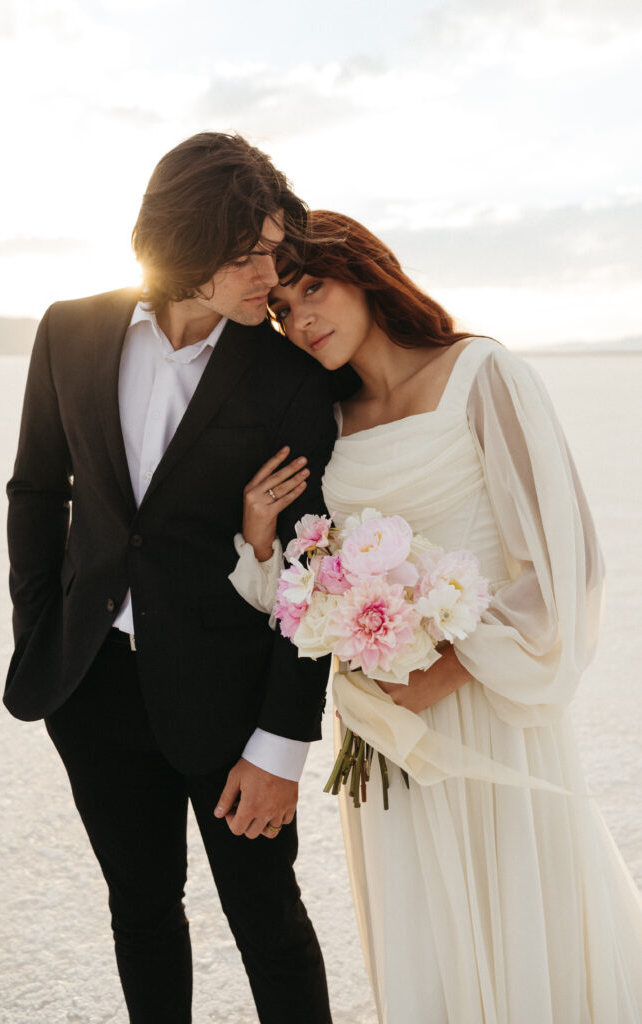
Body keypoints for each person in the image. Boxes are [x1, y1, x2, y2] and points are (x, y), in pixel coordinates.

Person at [231, 210, 642, 1023]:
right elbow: (307, 588)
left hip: (488, 708)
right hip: (384, 735)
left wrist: (446, 673)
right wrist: (256, 535)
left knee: (520, 914)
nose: (301, 317)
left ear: (367, 272)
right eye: (282, 308)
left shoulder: (479, 372)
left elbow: (566, 565)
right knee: (422, 935)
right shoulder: (329, 422)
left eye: (313, 287)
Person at [4, 133, 337, 1024]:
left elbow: (314, 574)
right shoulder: (70, 329)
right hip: (92, 687)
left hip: (232, 708)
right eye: (250, 253)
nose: (271, 273)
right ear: (185, 243)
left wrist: (280, 744)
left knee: (266, 920)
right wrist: (41, 633)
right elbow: (38, 489)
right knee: (142, 913)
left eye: (276, 248)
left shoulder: (289, 379)